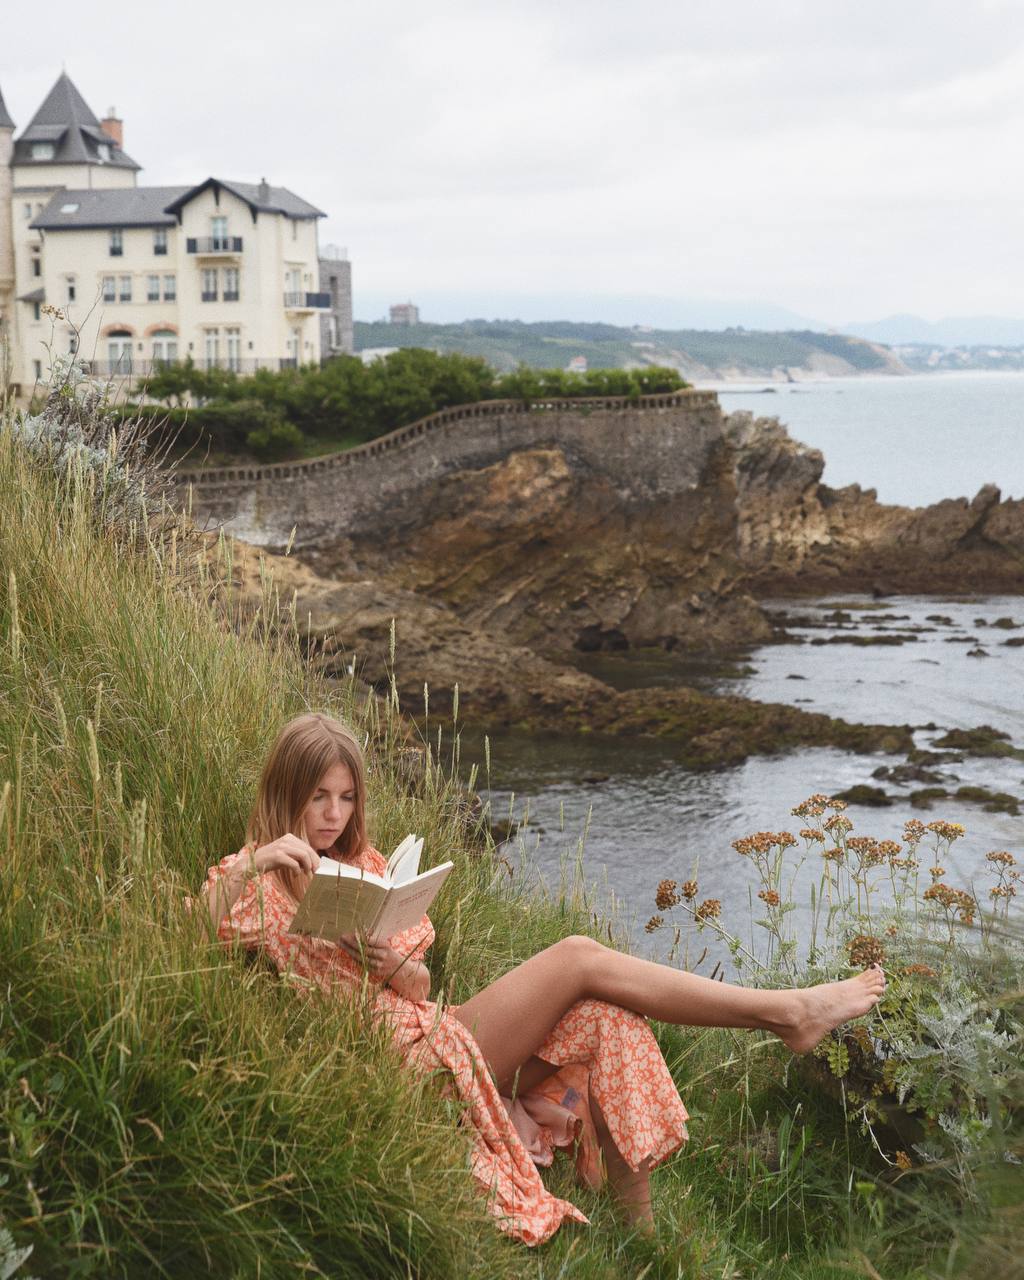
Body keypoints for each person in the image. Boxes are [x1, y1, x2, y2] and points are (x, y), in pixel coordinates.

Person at [195, 713, 886, 1246]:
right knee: (580, 958)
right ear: (286, 792)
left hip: (432, 1030)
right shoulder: (252, 881)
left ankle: (641, 1236)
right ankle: (785, 1012)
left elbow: (419, 988)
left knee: (608, 1017)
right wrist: (252, 864)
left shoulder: (363, 863)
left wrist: (395, 963)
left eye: (345, 798)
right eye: (318, 797)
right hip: (387, 1061)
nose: (333, 815)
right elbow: (190, 932)